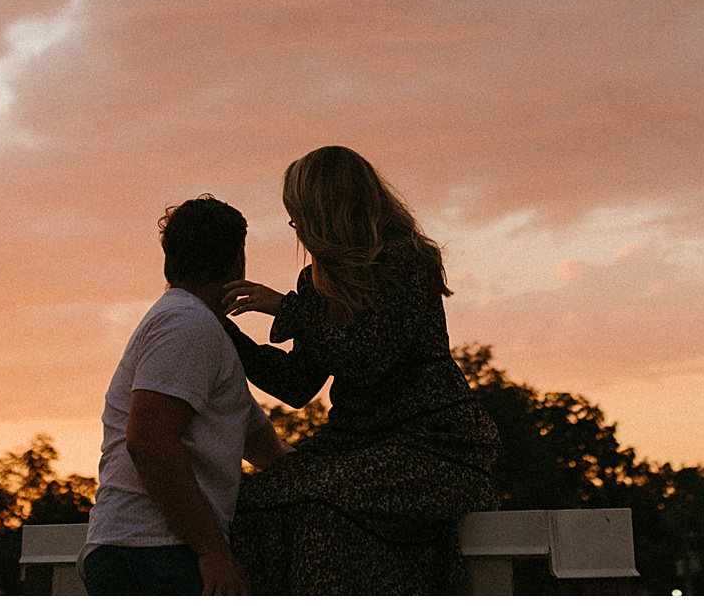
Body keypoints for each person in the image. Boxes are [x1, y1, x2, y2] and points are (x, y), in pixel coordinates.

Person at [221, 145, 502, 594]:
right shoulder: (315, 282)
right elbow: (296, 384)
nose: (295, 229)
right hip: (355, 446)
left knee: (325, 504)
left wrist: (288, 310)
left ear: (323, 211)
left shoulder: (406, 260)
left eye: (298, 216)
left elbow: (367, 355)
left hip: (431, 445)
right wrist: (220, 331)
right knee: (249, 505)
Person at [82, 195, 292, 595]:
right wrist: (214, 551)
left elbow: (267, 450)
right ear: (237, 260)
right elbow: (149, 440)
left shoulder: (198, 330)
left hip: (150, 554)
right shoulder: (187, 325)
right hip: (153, 554)